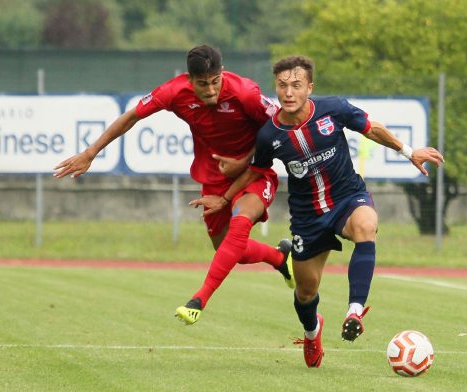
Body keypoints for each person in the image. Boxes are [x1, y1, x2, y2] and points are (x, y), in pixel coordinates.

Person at [192, 55, 444, 368]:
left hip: (347, 199)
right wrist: (224, 198)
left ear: (309, 87)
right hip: (308, 217)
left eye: (296, 85)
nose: (288, 92)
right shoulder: (269, 136)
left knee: (367, 226)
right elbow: (255, 171)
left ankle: (354, 311)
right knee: (305, 292)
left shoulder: (333, 109)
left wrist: (409, 152)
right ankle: (312, 332)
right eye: (283, 85)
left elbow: (371, 128)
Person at [53, 45, 294, 326]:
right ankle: (280, 257)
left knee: (240, 223)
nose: (211, 90)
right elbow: (131, 117)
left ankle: (198, 301)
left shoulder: (245, 92)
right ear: (190, 80)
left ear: (223, 74)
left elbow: (280, 126)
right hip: (214, 179)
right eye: (202, 84)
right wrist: (90, 152)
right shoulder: (173, 92)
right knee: (230, 251)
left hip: (254, 172)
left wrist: (244, 161)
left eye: (215, 82)